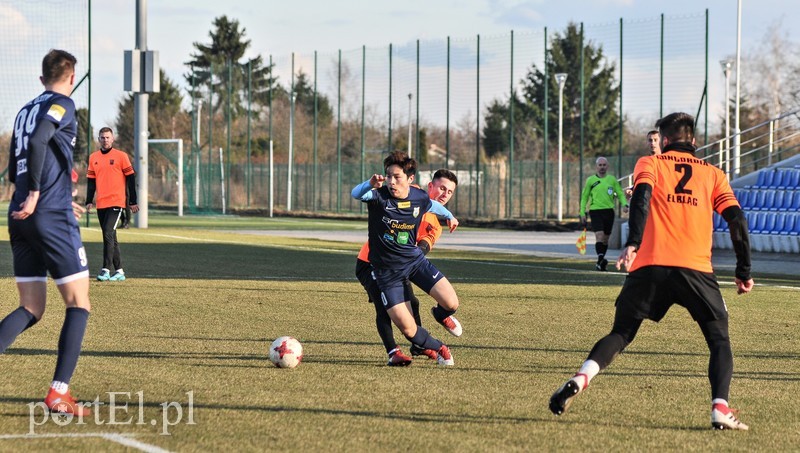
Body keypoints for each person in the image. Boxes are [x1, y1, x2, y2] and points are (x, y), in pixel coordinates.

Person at [549, 112, 754, 431]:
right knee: (719, 341)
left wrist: (632, 244)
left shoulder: (651, 163)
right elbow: (737, 220)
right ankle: (720, 408)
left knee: (621, 333)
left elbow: (641, 200)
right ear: (695, 141)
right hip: (695, 268)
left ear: (666, 141)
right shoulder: (714, 174)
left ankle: (581, 377)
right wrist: (743, 269)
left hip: (650, 263)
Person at [2, 49, 92, 416]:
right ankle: (58, 393)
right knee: (79, 303)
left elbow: (12, 168)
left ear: (42, 78)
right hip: (46, 212)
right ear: (72, 78)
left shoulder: (25, 109)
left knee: (31, 307)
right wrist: (43, 195)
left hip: (18, 212)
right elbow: (41, 140)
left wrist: (35, 193)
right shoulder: (64, 105)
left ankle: (58, 392)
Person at [352, 152, 460, 366]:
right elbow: (357, 194)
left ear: (410, 179)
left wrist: (449, 215)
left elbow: (431, 206)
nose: (391, 181)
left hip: (413, 262)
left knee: (451, 302)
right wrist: (370, 183)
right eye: (389, 176)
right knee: (407, 326)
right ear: (430, 184)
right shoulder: (379, 196)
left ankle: (431, 328)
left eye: (397, 176)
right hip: (383, 270)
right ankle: (435, 347)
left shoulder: (419, 198)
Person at [85, 127, 139, 281]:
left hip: (116, 201)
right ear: (98, 139)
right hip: (101, 203)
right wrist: (89, 200)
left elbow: (131, 179)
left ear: (113, 138)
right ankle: (119, 271)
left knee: (108, 232)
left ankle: (105, 269)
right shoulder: (93, 157)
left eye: (108, 137)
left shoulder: (121, 156)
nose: (105, 140)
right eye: (102, 137)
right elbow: (91, 181)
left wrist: (132, 201)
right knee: (111, 236)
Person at [579, 157, 628, 271]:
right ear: (596, 167)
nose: (602, 167)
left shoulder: (612, 180)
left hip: (609, 212)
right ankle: (601, 260)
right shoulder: (591, 180)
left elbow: (620, 193)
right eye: (600, 165)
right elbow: (584, 197)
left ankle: (600, 262)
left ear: (607, 166)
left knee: (605, 239)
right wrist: (582, 212)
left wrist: (625, 204)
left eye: (604, 165)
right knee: (599, 236)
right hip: (595, 211)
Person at [625, 130, 663, 201]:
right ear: (647, 143)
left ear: (661, 142)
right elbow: (643, 182)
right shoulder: (645, 162)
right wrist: (632, 190)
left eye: (655, 140)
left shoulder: (665, 161)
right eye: (650, 140)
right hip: (648, 204)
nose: (652, 143)